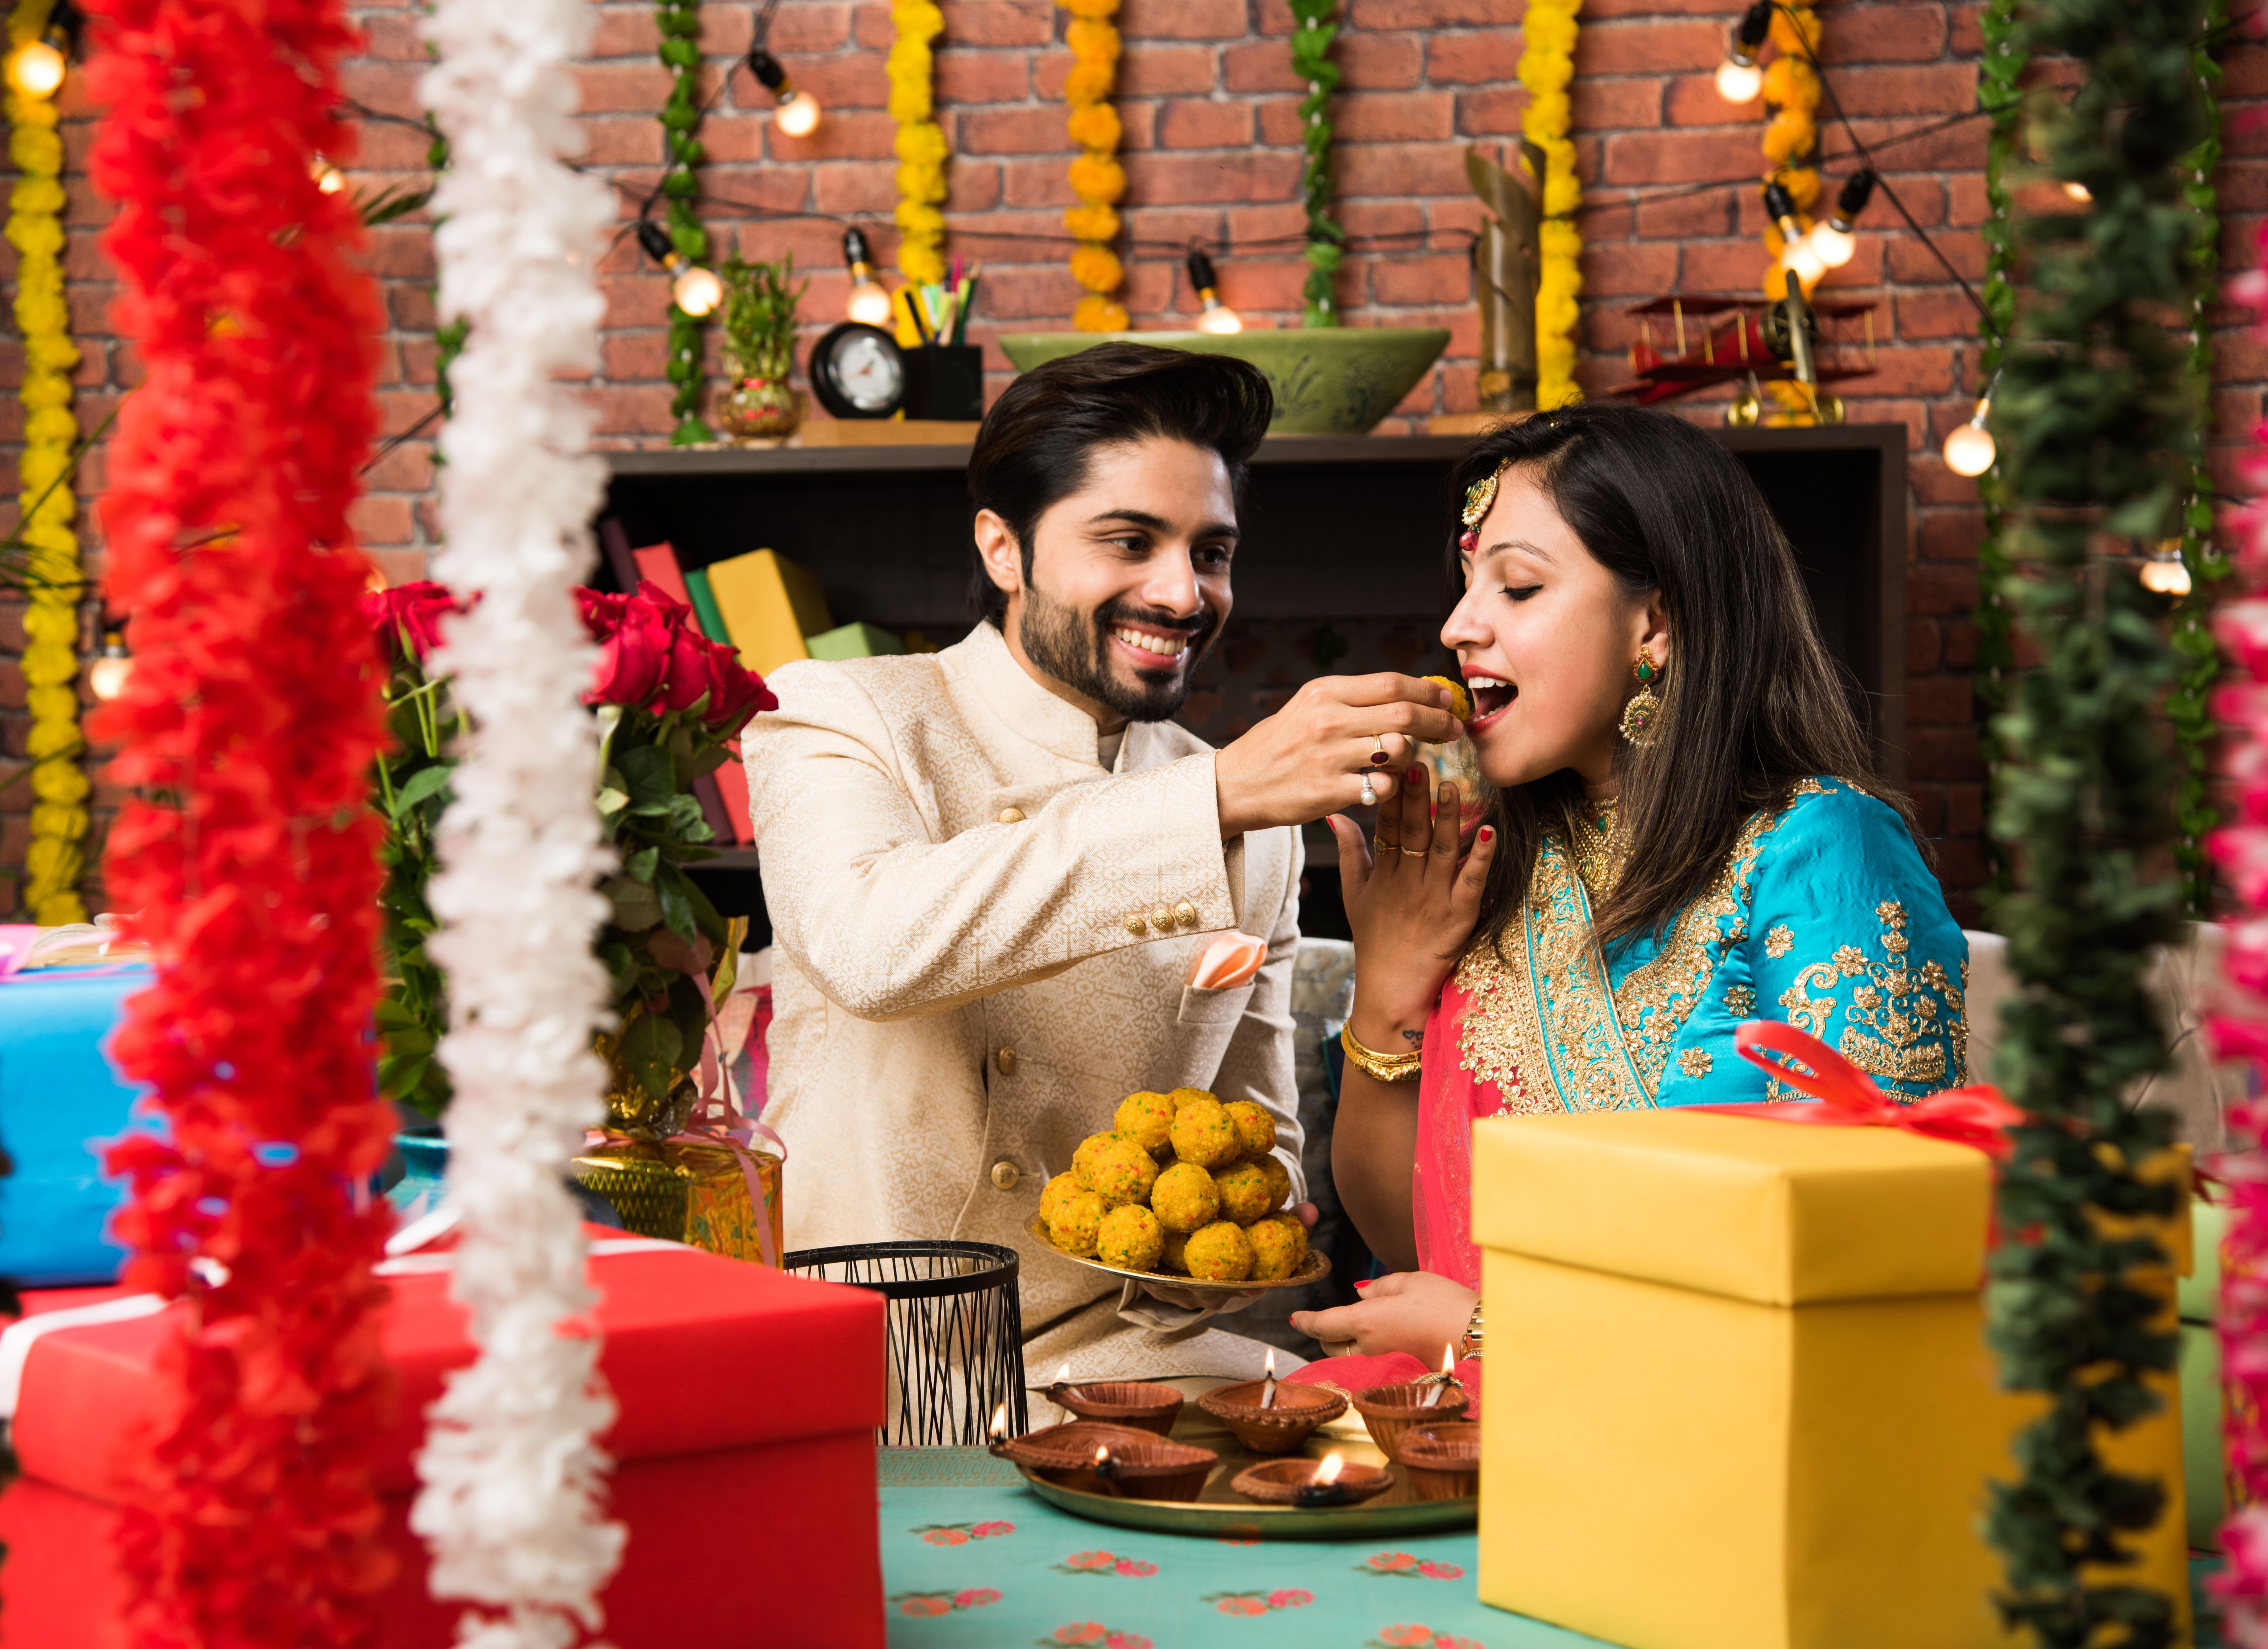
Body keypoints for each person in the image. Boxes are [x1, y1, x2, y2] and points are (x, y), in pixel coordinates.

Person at [745, 343, 1464, 1388]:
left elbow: (1251, 1128)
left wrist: (1247, 1207)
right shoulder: (838, 712)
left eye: (1211, 553)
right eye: (1129, 541)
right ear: (1004, 548)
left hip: (1132, 1355)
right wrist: (1209, 804)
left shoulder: (1246, 811)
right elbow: (871, 945)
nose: (1183, 593)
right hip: (873, 1351)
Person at [1294, 403, 1968, 1372]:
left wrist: (1495, 1333)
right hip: (1457, 1432)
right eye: (1466, 584)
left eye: (1518, 587)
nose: (1457, 626)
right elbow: (1415, 1248)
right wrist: (1386, 998)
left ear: (1654, 621)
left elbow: (1885, 1259)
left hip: (1710, 1450)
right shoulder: (1493, 862)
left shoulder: (1819, 853)